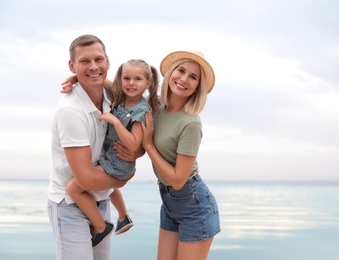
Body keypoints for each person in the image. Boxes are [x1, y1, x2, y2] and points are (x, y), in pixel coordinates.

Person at [48, 34, 142, 260]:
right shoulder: (71, 111)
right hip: (70, 206)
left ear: (108, 62)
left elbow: (138, 143)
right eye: (84, 62)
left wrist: (136, 151)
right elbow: (86, 179)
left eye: (98, 60)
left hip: (100, 199)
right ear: (72, 65)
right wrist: (123, 179)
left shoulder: (112, 97)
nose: (93, 67)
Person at [65, 59, 160, 246]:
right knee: (107, 187)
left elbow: (133, 144)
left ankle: (101, 227)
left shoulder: (141, 111)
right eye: (126, 78)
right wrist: (75, 77)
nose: (131, 83)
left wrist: (115, 121)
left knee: (73, 188)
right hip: (110, 160)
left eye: (137, 79)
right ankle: (123, 217)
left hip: (119, 165)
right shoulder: (119, 95)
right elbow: (100, 80)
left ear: (148, 83)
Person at [141, 50, 221, 260]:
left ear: (197, 87)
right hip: (169, 202)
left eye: (193, 77)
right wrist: (79, 77)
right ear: (171, 73)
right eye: (181, 70)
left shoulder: (191, 123)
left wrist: (148, 144)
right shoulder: (155, 105)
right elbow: (124, 89)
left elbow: (178, 179)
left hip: (194, 206)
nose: (184, 79)